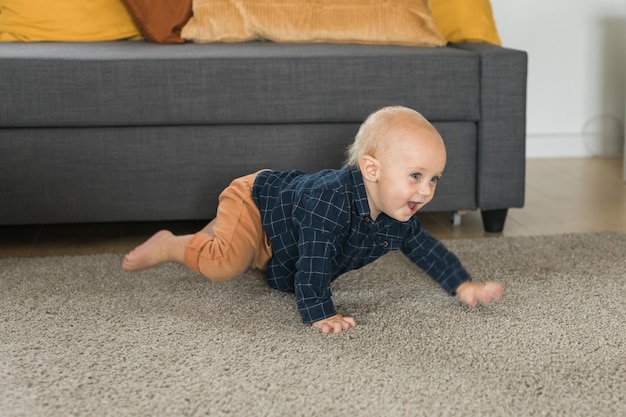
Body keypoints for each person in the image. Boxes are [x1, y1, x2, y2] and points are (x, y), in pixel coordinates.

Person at [123, 106, 504, 334]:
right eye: (416, 176)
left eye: (435, 178)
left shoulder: (397, 215)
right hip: (257, 202)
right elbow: (314, 264)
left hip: (283, 229)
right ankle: (169, 244)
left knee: (257, 262)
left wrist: (462, 286)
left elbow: (426, 250)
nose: (426, 191)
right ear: (371, 169)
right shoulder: (330, 203)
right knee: (224, 265)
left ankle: (221, 234)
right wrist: (322, 313)